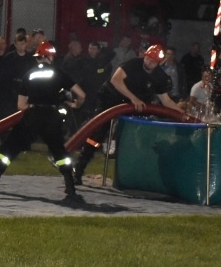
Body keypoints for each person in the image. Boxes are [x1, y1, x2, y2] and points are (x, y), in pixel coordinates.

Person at [0, 41, 85, 197]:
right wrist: (74, 104)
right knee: (60, 152)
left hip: (32, 116)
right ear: (50, 57)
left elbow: (21, 105)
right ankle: (70, 188)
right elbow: (82, 95)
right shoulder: (59, 73)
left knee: (8, 148)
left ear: (39, 57)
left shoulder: (29, 74)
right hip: (52, 117)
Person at [72, 45, 183, 185]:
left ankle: (134, 174)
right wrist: (133, 98)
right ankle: (79, 168)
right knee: (97, 134)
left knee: (135, 135)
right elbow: (116, 80)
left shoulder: (160, 77)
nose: (149, 62)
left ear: (160, 62)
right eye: (148, 58)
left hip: (135, 106)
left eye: (153, 61)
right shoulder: (133, 64)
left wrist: (183, 114)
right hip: (111, 99)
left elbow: (166, 100)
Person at [0, 32, 38, 118]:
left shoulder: (31, 60)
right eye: (18, 44)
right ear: (15, 44)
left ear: (26, 44)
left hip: (25, 90)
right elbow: (3, 77)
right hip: (11, 91)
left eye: (22, 44)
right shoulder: (8, 58)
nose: (20, 46)